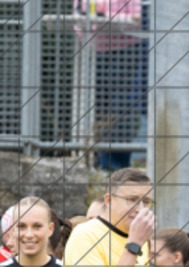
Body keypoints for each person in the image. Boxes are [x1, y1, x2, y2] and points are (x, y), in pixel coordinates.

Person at [75, 0, 147, 170]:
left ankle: (116, 165)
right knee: (101, 108)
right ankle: (100, 162)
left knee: (120, 108)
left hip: (127, 47)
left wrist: (108, 19)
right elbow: (80, 15)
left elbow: (138, 18)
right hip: (99, 47)